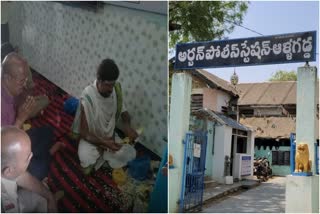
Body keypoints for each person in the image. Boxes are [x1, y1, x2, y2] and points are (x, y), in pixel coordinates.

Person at [72, 58, 138, 174]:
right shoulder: (88, 96)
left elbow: (124, 113)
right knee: (85, 158)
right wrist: (103, 142)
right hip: (92, 138)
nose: (111, 89)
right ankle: (105, 155)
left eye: (112, 85)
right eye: (108, 85)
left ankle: (105, 155)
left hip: (110, 136)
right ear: (99, 80)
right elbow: (84, 132)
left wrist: (127, 126)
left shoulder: (115, 90)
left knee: (131, 154)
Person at [1, 53, 55, 181]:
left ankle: (37, 154)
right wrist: (20, 119)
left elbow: (21, 99)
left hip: (18, 135)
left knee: (48, 131)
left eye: (25, 79)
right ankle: (45, 154)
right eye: (21, 81)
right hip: (6, 152)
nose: (25, 84)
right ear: (7, 78)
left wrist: (25, 97)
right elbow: (2, 147)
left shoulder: (10, 87)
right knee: (40, 169)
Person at [1, 126, 57, 212]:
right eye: (28, 158)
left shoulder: (8, 170)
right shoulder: (6, 202)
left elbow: (21, 176)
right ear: (9, 171)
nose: (31, 156)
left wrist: (49, 196)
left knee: (48, 132)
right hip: (14, 207)